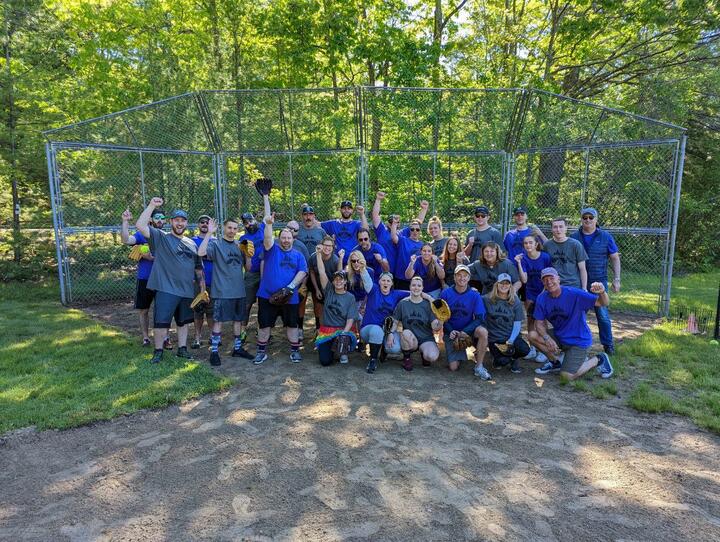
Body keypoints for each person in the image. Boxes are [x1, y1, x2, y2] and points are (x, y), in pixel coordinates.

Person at [135, 199, 205, 364]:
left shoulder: (191, 243)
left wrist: (202, 289)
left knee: (183, 321)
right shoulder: (161, 238)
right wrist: (152, 205)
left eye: (183, 220)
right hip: (166, 289)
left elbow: (198, 268)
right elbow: (140, 225)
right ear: (171, 222)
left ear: (186, 223)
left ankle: (182, 349)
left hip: (186, 289)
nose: (179, 223)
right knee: (161, 322)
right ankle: (158, 351)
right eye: (176, 220)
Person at [529, 267, 614, 380]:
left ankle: (599, 359)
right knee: (532, 335)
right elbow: (539, 323)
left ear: (558, 279)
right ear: (542, 282)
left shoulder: (574, 294)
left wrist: (602, 292)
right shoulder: (542, 298)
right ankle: (555, 362)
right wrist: (547, 338)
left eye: (551, 278)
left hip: (578, 340)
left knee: (566, 376)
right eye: (545, 279)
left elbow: (603, 303)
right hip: (560, 336)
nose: (549, 282)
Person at [253, 211, 308, 365]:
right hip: (266, 295)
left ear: (293, 239)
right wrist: (269, 224)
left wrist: (290, 287)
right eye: (283, 237)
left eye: (288, 238)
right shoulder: (272, 250)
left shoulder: (298, 255)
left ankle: (295, 351)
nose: (285, 240)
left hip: (290, 297)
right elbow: (267, 238)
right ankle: (261, 352)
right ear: (279, 239)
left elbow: (303, 271)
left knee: (292, 324)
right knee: (264, 324)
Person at [197, 217, 253, 365]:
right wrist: (209, 233)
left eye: (235, 228)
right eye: (230, 228)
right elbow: (201, 252)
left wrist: (248, 256)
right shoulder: (216, 244)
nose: (232, 231)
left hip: (238, 290)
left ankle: (237, 348)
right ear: (224, 228)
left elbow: (248, 269)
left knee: (238, 320)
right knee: (218, 321)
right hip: (222, 290)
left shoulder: (239, 245)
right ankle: (214, 351)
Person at [570, 207, 622, 355]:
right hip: (579, 281)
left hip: (599, 282)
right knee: (577, 315)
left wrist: (617, 279)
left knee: (603, 315)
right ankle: (577, 345)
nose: (587, 220)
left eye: (590, 218)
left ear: (596, 220)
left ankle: (608, 345)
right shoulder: (574, 237)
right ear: (581, 219)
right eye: (585, 218)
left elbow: (614, 258)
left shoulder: (605, 237)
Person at [121, 208, 169, 348]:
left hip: (162, 279)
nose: (159, 220)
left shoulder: (166, 235)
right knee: (144, 310)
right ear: (150, 220)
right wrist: (125, 222)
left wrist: (147, 253)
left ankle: (165, 337)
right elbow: (126, 240)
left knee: (163, 310)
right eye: (157, 217)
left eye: (162, 218)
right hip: (145, 278)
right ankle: (146, 338)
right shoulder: (142, 234)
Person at [440, 265, 491, 378]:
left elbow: (479, 318)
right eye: (459, 275)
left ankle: (479, 366)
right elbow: (442, 317)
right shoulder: (445, 293)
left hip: (468, 331)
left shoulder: (474, 295)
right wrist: (450, 330)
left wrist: (465, 331)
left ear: (469, 278)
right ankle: (460, 354)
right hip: (452, 332)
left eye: (465, 276)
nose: (462, 278)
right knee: (453, 367)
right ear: (454, 277)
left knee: (483, 332)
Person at [314, 249, 361, 366]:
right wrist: (319, 254)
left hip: (342, 330)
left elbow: (351, 319)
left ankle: (342, 352)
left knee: (343, 338)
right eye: (336, 279)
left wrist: (344, 332)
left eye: (341, 279)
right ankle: (332, 350)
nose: (338, 281)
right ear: (333, 281)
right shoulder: (329, 290)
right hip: (327, 330)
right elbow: (321, 272)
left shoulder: (350, 297)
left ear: (345, 282)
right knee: (325, 362)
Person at [370, 191, 429, 277]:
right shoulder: (382, 231)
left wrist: (424, 209)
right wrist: (378, 199)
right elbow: (375, 215)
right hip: (382, 270)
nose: (393, 223)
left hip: (397, 271)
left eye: (396, 222)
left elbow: (417, 224)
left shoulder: (402, 233)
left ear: (399, 223)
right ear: (387, 223)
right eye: (391, 221)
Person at [388, 276, 441, 371]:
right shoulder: (403, 303)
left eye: (419, 286)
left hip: (426, 338)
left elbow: (435, 327)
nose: (416, 288)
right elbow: (395, 322)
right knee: (405, 333)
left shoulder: (428, 305)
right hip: (411, 339)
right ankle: (407, 358)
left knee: (432, 356)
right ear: (410, 287)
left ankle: (424, 354)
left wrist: (441, 320)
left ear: (422, 288)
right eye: (413, 285)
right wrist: (390, 333)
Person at [360, 272, 409, 373]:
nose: (385, 283)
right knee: (376, 331)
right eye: (383, 280)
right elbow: (366, 278)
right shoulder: (373, 290)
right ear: (379, 282)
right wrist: (362, 268)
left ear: (392, 284)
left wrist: (429, 298)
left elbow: (415, 292)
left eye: (388, 281)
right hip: (369, 329)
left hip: (386, 328)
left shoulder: (396, 294)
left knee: (394, 348)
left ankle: (383, 349)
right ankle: (373, 360)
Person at [514, 235, 552, 363]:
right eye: (525, 243)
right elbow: (524, 279)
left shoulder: (545, 257)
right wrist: (519, 263)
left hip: (544, 291)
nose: (528, 245)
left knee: (541, 320)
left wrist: (544, 293)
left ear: (536, 244)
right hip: (530, 292)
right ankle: (533, 348)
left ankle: (544, 349)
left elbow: (550, 275)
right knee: (530, 319)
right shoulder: (523, 259)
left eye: (530, 243)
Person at [482, 274, 531, 374]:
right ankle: (500, 359)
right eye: (501, 283)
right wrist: (473, 291)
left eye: (507, 283)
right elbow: (475, 299)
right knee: (502, 361)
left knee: (525, 350)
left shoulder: (515, 301)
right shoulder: (487, 299)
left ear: (510, 286)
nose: (504, 285)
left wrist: (511, 341)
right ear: (497, 284)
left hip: (510, 337)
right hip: (494, 338)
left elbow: (517, 324)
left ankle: (513, 358)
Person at [239, 206, 268, 333]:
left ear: (255, 220)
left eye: (250, 220)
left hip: (266, 272)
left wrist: (265, 196)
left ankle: (261, 329)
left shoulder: (262, 228)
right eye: (245, 222)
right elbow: (244, 264)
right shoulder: (243, 239)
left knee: (264, 303)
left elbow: (267, 214)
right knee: (247, 303)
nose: (249, 224)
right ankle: (242, 330)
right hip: (251, 273)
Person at [308, 235, 343, 330]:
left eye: (330, 246)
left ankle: (331, 329)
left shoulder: (335, 260)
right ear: (321, 245)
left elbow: (340, 274)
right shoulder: (313, 257)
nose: (327, 248)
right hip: (318, 286)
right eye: (325, 245)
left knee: (330, 310)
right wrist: (316, 289)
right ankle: (318, 329)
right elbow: (312, 272)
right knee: (318, 308)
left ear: (333, 247)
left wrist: (341, 259)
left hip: (331, 289)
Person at [542, 217, 588, 289]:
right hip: (554, 285)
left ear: (566, 228)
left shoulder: (575, 244)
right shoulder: (547, 245)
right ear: (551, 229)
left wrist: (584, 288)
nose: (558, 230)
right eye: (555, 227)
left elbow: (582, 269)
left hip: (573, 284)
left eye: (561, 227)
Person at [191, 215, 214, 348]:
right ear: (198, 225)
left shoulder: (215, 241)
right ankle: (197, 337)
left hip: (213, 281)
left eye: (207, 222)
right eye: (202, 222)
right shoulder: (192, 241)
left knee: (211, 311)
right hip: (197, 281)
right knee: (198, 310)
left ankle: (212, 336)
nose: (205, 224)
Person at [321, 200, 365, 264]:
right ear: (340, 210)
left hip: (353, 260)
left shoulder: (356, 224)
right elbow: (318, 224)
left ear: (352, 210)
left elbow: (366, 230)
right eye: (344, 208)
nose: (346, 210)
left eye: (349, 208)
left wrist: (362, 214)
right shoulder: (333, 223)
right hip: (336, 260)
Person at [391, 218, 424, 290]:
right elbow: (394, 237)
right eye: (412, 229)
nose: (415, 231)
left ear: (420, 231)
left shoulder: (422, 245)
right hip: (400, 278)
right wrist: (394, 224)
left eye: (417, 229)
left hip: (415, 280)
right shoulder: (403, 240)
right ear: (409, 230)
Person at [345, 250, 375, 317]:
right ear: (350, 262)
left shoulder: (369, 271)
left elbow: (370, 292)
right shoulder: (347, 273)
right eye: (353, 261)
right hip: (351, 302)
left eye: (358, 261)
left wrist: (362, 306)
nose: (356, 263)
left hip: (365, 301)